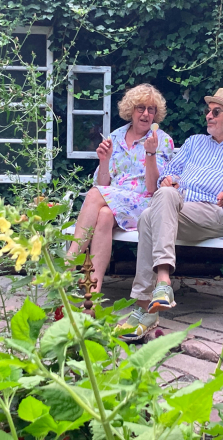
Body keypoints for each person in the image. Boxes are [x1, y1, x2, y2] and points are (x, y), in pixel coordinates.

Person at [117, 88, 223, 340]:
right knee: (152, 210)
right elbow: (169, 174)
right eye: (208, 111)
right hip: (177, 207)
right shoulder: (195, 142)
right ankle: (159, 288)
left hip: (212, 213)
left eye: (216, 112)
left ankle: (145, 304)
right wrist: (169, 180)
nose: (208, 116)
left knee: (148, 217)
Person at [66, 84, 174, 292]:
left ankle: (70, 261)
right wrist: (104, 161)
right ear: (131, 110)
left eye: (151, 109)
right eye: (140, 108)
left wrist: (150, 154)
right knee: (104, 215)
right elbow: (103, 184)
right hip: (114, 202)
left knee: (94, 194)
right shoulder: (115, 136)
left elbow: (153, 188)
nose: (146, 114)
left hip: (144, 206)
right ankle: (93, 290)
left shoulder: (161, 140)